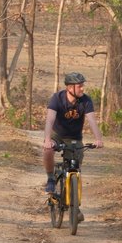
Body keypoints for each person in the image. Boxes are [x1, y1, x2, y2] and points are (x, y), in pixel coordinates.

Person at [43, 72, 103, 211]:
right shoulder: (57, 98)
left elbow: (92, 121)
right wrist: (47, 140)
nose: (82, 88)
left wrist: (98, 139)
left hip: (75, 138)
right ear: (70, 88)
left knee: (76, 168)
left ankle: (75, 206)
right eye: (80, 86)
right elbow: (50, 120)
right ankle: (51, 178)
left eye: (83, 85)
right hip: (57, 134)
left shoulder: (86, 101)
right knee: (48, 150)